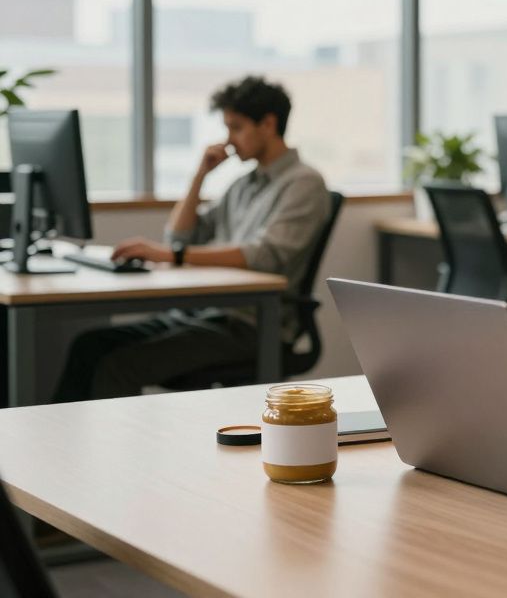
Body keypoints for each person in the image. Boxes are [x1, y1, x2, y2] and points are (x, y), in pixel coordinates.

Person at [54, 76, 332, 401]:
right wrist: (199, 175)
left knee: (119, 366)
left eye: (236, 127)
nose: (228, 140)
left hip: (251, 324)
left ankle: (109, 452)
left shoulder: (304, 183)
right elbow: (180, 236)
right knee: (90, 345)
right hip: (206, 313)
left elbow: (263, 255)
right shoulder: (244, 184)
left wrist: (173, 256)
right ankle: (54, 448)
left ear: (268, 124)